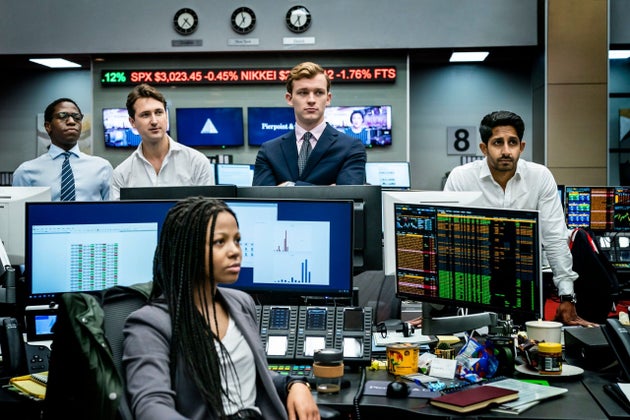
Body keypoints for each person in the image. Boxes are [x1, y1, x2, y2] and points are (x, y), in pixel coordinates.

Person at [123, 197, 320, 420]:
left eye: (237, 240)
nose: (235, 251)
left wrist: (295, 384)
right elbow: (151, 407)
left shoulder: (241, 303)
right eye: (220, 242)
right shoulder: (150, 324)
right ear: (187, 249)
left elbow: (253, 377)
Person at [443, 110, 594, 327]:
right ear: (484, 148)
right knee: (475, 342)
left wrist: (567, 296)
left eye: (512, 142)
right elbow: (447, 242)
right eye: (498, 143)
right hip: (476, 283)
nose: (506, 151)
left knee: (526, 341)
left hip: (526, 283)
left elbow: (554, 238)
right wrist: (435, 307)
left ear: (521, 146)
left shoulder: (540, 177)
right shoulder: (462, 178)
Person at [253, 62, 366, 186]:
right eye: (303, 93)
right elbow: (262, 197)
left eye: (319, 93)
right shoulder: (269, 151)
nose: (311, 100)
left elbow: (349, 196)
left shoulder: (351, 148)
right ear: (289, 99)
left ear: (328, 99)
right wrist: (329, 191)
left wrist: (289, 187)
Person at [110, 84, 215, 199]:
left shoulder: (197, 163)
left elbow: (207, 209)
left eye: (159, 112)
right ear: (132, 122)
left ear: (166, 116)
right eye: (145, 115)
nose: (154, 121)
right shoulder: (122, 174)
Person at [12, 98, 113, 200]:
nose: (71, 121)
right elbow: (17, 209)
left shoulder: (103, 168)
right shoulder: (26, 172)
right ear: (48, 126)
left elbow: (113, 209)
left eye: (77, 117)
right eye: (62, 116)